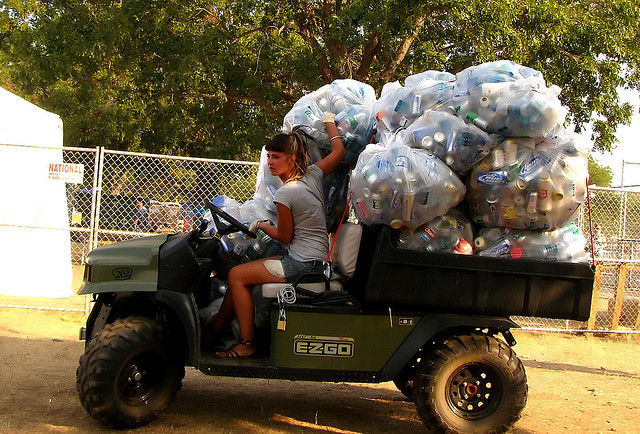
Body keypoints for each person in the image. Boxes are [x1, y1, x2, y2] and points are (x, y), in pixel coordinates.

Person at [211, 113, 345, 358]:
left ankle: (246, 343)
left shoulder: (286, 194)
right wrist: (329, 121)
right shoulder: (312, 176)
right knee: (240, 275)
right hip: (313, 260)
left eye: (277, 157)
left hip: (301, 265)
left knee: (236, 275)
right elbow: (338, 151)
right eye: (269, 156)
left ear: (292, 159)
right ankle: (215, 331)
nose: (271, 162)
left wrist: (261, 225)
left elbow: (284, 236)